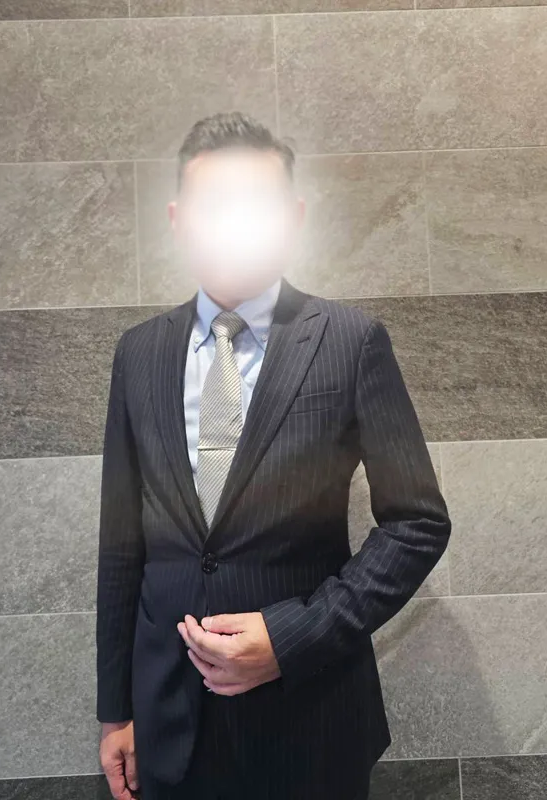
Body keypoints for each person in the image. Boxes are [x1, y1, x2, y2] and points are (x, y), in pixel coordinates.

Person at [96, 110, 452, 800]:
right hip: (167, 721)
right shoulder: (138, 354)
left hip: (310, 719)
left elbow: (417, 523)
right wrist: (117, 709)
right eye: (214, 204)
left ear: (291, 218)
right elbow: (121, 544)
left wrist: (292, 637)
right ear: (178, 220)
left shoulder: (350, 341)